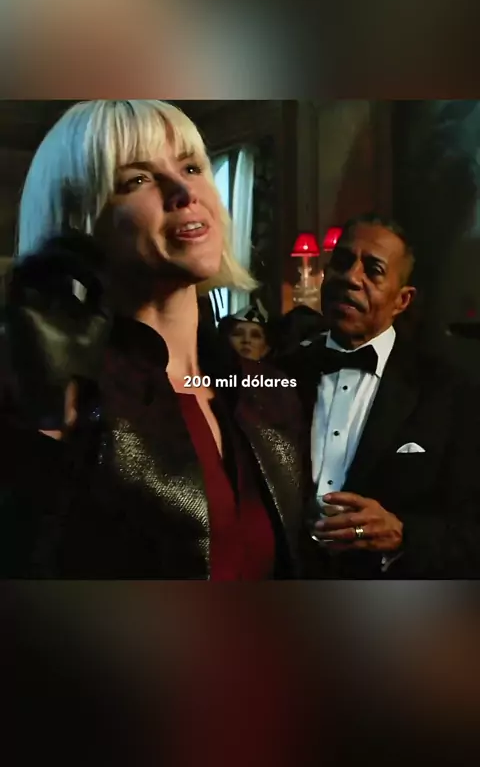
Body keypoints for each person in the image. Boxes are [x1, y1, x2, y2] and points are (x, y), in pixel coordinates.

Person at [0, 100, 307, 579]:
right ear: (79, 223)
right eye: (137, 179)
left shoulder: (267, 392)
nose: (184, 191)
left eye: (191, 167)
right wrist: (45, 421)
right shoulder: (55, 395)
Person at [278, 212, 480, 578]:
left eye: (373, 270)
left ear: (402, 300)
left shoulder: (449, 393)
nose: (350, 277)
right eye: (342, 262)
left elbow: (471, 530)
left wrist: (402, 536)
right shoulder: (276, 374)